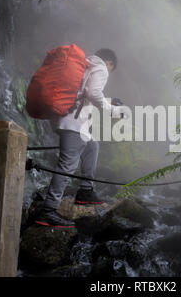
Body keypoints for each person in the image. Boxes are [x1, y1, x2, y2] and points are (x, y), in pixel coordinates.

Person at [35, 48, 129, 227]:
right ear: (109, 63)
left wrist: (109, 100)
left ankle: (85, 191)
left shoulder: (86, 65)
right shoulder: (100, 68)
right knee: (67, 166)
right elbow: (93, 93)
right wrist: (114, 110)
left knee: (92, 146)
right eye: (111, 69)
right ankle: (48, 210)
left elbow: (83, 93)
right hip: (74, 123)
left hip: (67, 119)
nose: (108, 72)